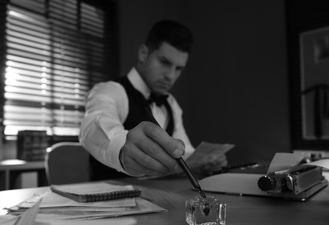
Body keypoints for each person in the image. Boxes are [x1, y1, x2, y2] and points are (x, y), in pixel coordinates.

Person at [80, 19, 227, 180]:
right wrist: (122, 150)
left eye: (178, 69)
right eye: (164, 62)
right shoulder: (109, 91)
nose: (170, 75)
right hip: (107, 199)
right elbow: (93, 126)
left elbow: (186, 153)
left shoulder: (170, 103)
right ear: (143, 53)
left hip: (159, 198)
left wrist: (206, 161)